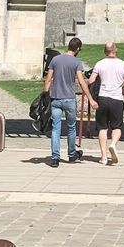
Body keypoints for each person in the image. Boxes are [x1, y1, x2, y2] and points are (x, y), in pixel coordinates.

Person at [43, 37, 96, 168]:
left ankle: (55, 157)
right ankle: (72, 154)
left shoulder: (55, 59)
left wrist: (45, 94)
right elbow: (81, 81)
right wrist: (90, 98)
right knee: (71, 128)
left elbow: (48, 79)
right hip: (69, 99)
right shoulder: (76, 62)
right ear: (78, 49)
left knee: (56, 129)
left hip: (55, 98)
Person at [88, 41, 124, 165]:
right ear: (115, 50)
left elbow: (91, 80)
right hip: (117, 98)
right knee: (117, 126)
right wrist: (122, 90)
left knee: (102, 127)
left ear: (105, 51)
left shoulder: (100, 64)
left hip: (102, 98)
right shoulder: (122, 64)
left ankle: (103, 156)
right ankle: (112, 144)